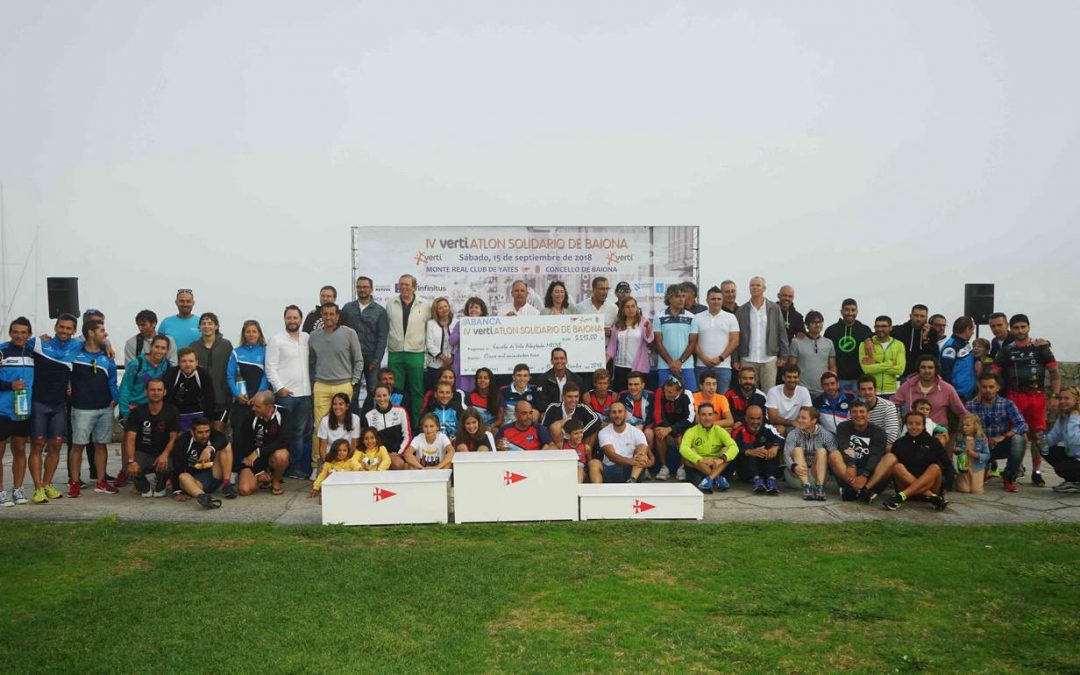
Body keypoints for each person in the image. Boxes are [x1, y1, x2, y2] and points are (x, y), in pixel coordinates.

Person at [992, 313, 1060, 487]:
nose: (1020, 330)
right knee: (1017, 435)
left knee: (1037, 436)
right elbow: (993, 374)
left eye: (1023, 327)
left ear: (1029, 327)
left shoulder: (1041, 347)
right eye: (1016, 327)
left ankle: (1036, 472)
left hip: (1037, 397)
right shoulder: (1006, 350)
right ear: (1011, 329)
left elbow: (1054, 373)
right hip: (1014, 397)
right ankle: (1016, 468)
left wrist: (1056, 395)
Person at [27, 314, 80, 503]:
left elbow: (96, 339)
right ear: (55, 327)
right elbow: (13, 346)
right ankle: (37, 487)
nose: (64, 331)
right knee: (37, 445)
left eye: (68, 328)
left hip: (59, 405)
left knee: (56, 445)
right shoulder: (38, 343)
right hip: (39, 402)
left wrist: (107, 345)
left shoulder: (76, 346)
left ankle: (48, 484)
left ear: (74, 331)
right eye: (61, 327)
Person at [68, 320, 119, 497]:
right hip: (82, 409)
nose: (105, 334)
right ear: (90, 333)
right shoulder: (75, 353)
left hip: (105, 408)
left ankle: (101, 482)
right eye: (102, 330)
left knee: (101, 446)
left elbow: (112, 380)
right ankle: (74, 482)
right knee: (78, 446)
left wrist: (115, 399)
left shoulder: (107, 356)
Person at [309, 302, 363, 471]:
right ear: (322, 316)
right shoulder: (314, 336)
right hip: (322, 386)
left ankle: (346, 463)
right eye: (325, 314)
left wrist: (353, 382)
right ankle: (318, 465)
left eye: (332, 314)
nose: (328, 317)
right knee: (319, 428)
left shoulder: (349, 333)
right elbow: (311, 361)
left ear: (337, 316)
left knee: (345, 425)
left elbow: (358, 360)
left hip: (343, 384)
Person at [265, 305, 313, 480]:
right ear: (284, 319)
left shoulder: (307, 338)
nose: (292, 321)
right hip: (286, 396)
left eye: (295, 318)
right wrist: (279, 388)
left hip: (305, 394)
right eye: (289, 318)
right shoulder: (276, 340)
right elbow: (270, 367)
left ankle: (295, 468)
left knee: (300, 433)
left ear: (300, 320)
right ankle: (280, 467)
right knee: (282, 433)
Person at [965, 372, 1028, 492]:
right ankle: (982, 470)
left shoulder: (1007, 404)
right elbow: (964, 427)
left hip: (999, 444)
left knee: (1019, 439)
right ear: (979, 387)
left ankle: (1009, 477)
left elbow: (1022, 424)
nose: (987, 390)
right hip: (980, 446)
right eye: (984, 387)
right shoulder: (971, 405)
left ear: (998, 388)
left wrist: (1004, 436)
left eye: (991, 387)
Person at [122, 379, 181, 498]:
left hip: (163, 454)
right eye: (152, 390)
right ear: (146, 392)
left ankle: (161, 485)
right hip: (143, 454)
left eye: (159, 390)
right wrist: (131, 461)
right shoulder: (136, 412)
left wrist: (165, 454)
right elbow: (130, 439)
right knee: (129, 468)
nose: (156, 392)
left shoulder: (172, 410)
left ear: (164, 392)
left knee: (167, 467)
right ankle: (144, 487)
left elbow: (173, 437)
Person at [882, 412, 953, 512]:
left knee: (935, 467)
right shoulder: (899, 443)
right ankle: (932, 497)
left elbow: (948, 465)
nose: (914, 427)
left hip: (930, 485)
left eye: (918, 424)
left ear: (924, 425)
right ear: (905, 425)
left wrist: (947, 486)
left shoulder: (934, 442)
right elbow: (892, 471)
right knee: (897, 466)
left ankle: (900, 498)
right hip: (906, 487)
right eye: (910, 424)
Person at [387, 274, 430, 427]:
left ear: (414, 287)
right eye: (401, 284)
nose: (403, 287)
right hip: (395, 352)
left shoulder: (424, 305)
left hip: (416, 353)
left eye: (407, 284)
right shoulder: (391, 303)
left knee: (417, 391)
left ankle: (418, 425)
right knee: (395, 391)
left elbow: (429, 328)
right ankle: (396, 424)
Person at [829, 400, 893, 502]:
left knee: (891, 458)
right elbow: (844, 447)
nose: (858, 415)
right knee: (834, 454)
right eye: (854, 412)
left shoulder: (879, 432)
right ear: (850, 414)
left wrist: (865, 475)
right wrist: (851, 465)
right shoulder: (843, 427)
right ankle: (859, 489)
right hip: (849, 470)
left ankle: (864, 489)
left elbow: (876, 456)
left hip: (870, 471)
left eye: (862, 411)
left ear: (868, 414)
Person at [0, 317, 35, 506]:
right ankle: (0, 492)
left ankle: (18, 489)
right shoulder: (2, 350)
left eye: (23, 332)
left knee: (20, 450)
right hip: (2, 410)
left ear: (29, 334)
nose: (19, 335)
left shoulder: (33, 351)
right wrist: (9, 385)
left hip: (23, 410)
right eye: (15, 331)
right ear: (10, 333)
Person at [733, 276, 789, 390]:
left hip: (769, 360)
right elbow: (735, 337)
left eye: (758, 285)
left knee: (769, 393)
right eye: (752, 285)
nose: (755, 287)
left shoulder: (774, 308)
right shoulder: (741, 310)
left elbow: (781, 332)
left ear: (764, 288)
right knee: (748, 392)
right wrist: (735, 359)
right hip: (747, 359)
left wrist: (783, 356)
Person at [233, 391, 291, 496]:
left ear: (269, 407)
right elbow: (243, 443)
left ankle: (275, 480)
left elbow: (284, 441)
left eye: (257, 406)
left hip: (271, 456)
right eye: (253, 405)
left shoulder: (284, 413)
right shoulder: (249, 415)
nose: (253, 408)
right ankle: (262, 479)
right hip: (251, 458)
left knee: (282, 456)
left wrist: (258, 452)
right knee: (244, 490)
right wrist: (258, 471)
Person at [170, 416, 234, 509]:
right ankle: (203, 498)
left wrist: (209, 449)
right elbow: (176, 466)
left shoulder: (212, 434)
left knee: (226, 446)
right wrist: (177, 491)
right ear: (192, 432)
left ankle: (227, 484)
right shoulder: (183, 441)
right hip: (196, 482)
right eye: (200, 432)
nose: (204, 435)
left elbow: (223, 440)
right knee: (183, 477)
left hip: (214, 474)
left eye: (207, 431)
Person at [340, 276, 389, 396]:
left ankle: (373, 415)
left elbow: (382, 338)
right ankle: (353, 415)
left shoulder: (380, 311)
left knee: (373, 391)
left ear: (371, 289)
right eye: (359, 287)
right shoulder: (347, 309)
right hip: (351, 357)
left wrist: (377, 359)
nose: (362, 289)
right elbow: (341, 332)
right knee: (351, 391)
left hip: (371, 358)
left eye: (365, 287)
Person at [679, 402, 739, 494]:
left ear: (714, 415)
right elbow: (683, 448)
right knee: (690, 452)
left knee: (727, 451)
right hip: (699, 466)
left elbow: (735, 447)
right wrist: (701, 459)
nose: (707, 418)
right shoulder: (691, 431)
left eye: (710, 414)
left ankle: (710, 479)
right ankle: (717, 478)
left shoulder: (719, 430)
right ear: (698, 416)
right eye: (703, 415)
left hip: (716, 464)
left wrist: (721, 459)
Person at [891, 355, 967, 424]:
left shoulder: (947, 388)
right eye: (923, 367)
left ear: (936, 370)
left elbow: (961, 412)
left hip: (938, 430)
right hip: (913, 429)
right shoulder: (907, 386)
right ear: (918, 369)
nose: (927, 370)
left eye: (930, 368)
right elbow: (891, 405)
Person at [189, 312, 234, 431]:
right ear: (199, 327)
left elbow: (232, 370)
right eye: (203, 323)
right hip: (200, 400)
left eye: (210, 323)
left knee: (217, 434)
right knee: (202, 433)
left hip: (222, 398)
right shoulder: (194, 346)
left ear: (216, 326)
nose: (206, 326)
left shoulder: (226, 345)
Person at [226, 319, 269, 440]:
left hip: (259, 401)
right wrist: (237, 394)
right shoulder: (236, 352)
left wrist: (258, 395)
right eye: (248, 331)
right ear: (243, 334)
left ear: (259, 334)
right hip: (241, 400)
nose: (251, 334)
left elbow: (266, 375)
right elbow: (230, 376)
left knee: (259, 436)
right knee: (239, 435)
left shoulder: (266, 351)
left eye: (254, 331)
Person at [694, 286, 740, 395]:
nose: (716, 301)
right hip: (702, 365)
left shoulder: (731, 317)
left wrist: (720, 358)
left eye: (719, 299)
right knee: (702, 400)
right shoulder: (696, 318)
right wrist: (704, 358)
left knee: (721, 400)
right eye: (713, 299)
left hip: (723, 367)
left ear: (722, 300)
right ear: (707, 300)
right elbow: (693, 341)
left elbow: (735, 341)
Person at [655, 283, 700, 391]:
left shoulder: (692, 317)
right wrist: (671, 363)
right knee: (664, 397)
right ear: (670, 298)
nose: (681, 300)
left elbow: (692, 343)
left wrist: (680, 362)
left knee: (690, 396)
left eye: (683, 296)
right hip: (665, 366)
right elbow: (658, 343)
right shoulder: (659, 317)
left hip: (686, 366)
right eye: (678, 296)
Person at [783, 407, 835, 500]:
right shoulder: (793, 433)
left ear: (814, 420)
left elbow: (834, 455)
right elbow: (786, 454)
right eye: (799, 417)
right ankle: (807, 487)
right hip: (797, 478)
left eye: (803, 418)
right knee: (797, 449)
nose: (799, 420)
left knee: (822, 451)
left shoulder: (826, 435)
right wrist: (794, 466)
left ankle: (820, 488)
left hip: (818, 476)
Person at [824, 298, 873, 394]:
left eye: (853, 310)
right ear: (841, 311)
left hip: (859, 379)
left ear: (857, 312)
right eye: (847, 310)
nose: (850, 313)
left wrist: (868, 338)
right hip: (839, 379)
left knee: (859, 407)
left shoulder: (865, 330)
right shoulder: (831, 330)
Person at [651, 375, 695, 480]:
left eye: (670, 392)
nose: (666, 393)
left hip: (682, 427)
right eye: (665, 390)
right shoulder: (660, 392)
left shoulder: (687, 394)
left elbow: (690, 419)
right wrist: (668, 430)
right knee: (658, 433)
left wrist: (672, 430)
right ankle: (664, 467)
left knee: (684, 436)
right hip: (666, 426)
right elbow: (658, 416)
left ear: (679, 391)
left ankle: (682, 467)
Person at [731, 404, 782, 494]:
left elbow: (781, 440)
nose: (755, 421)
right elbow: (733, 448)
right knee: (749, 447)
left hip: (763, 467)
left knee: (771, 445)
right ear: (746, 418)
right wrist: (748, 452)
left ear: (762, 418)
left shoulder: (766, 429)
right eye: (752, 418)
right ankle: (757, 481)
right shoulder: (738, 431)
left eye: (758, 418)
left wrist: (775, 447)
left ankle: (771, 480)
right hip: (745, 471)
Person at [608, 296, 654, 393]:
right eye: (627, 307)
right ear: (622, 309)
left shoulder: (644, 322)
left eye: (633, 306)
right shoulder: (617, 325)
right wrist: (602, 364)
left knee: (637, 396)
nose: (631, 309)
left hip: (638, 367)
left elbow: (649, 340)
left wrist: (649, 329)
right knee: (621, 396)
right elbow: (611, 348)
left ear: (637, 308)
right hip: (620, 367)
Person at [118, 334, 172, 417]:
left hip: (153, 411)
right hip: (133, 409)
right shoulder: (136, 364)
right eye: (156, 347)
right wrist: (125, 412)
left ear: (167, 350)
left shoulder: (167, 366)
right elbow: (125, 388)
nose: (159, 350)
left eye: (163, 348)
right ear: (151, 346)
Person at [596, 401, 651, 483]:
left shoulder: (637, 432)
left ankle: (632, 480)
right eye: (614, 412)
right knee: (593, 463)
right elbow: (611, 456)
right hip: (611, 470)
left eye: (620, 411)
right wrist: (630, 461)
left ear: (625, 413)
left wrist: (639, 460)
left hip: (631, 469)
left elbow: (643, 450)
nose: (617, 415)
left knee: (641, 455)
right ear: (610, 415)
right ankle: (597, 493)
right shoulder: (603, 432)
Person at [163, 348, 216, 433]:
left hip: (197, 413)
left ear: (197, 362)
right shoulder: (171, 373)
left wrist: (208, 420)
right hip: (176, 414)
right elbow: (165, 397)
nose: (187, 364)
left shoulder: (203, 374)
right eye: (184, 361)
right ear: (179, 362)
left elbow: (209, 399)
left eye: (191, 361)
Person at [787, 311, 835, 396]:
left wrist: (832, 384)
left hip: (823, 391)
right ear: (807, 325)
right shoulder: (796, 342)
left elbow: (832, 367)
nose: (817, 325)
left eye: (820, 322)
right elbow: (792, 366)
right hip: (802, 390)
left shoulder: (829, 343)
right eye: (813, 323)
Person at [363, 384, 411, 469]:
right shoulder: (369, 415)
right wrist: (383, 454)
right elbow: (368, 440)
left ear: (389, 396)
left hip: (398, 453)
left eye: (384, 395)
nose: (382, 399)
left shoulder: (401, 411)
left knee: (402, 464)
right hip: (377, 454)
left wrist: (399, 453)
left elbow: (407, 436)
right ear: (374, 397)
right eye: (378, 396)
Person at [1043, 387, 1080, 492]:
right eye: (1061, 398)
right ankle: (1072, 481)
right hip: (1075, 457)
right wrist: (1041, 440)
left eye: (1066, 398)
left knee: (1062, 467)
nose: (1062, 401)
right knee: (1045, 449)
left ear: (1076, 400)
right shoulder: (1063, 417)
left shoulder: (1075, 417)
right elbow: (1053, 437)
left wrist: (1074, 416)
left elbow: (1074, 442)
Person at [448, 296, 488, 393]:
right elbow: (452, 341)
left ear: (482, 310)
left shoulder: (488, 324)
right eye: (471, 307)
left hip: (481, 359)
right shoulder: (460, 323)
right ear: (467, 310)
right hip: (462, 361)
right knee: (461, 389)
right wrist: (464, 331)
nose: (473, 310)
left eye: (476, 307)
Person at [541, 383, 600, 447]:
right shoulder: (553, 408)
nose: (573, 400)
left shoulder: (581, 407)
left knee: (594, 429)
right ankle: (561, 452)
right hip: (558, 443)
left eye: (576, 396)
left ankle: (583, 455)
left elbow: (596, 419)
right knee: (556, 426)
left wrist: (578, 433)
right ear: (563, 397)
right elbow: (543, 429)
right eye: (570, 396)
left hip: (577, 441)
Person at [858, 315, 905, 397]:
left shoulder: (898, 344)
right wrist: (890, 363)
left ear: (890, 328)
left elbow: (900, 370)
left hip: (892, 391)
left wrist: (876, 363)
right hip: (871, 392)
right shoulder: (864, 344)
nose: (880, 329)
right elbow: (867, 369)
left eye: (884, 326)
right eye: (877, 326)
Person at [891, 304, 940, 378]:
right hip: (903, 376)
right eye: (916, 315)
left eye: (922, 316)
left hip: (923, 375)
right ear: (910, 316)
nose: (919, 319)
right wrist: (868, 339)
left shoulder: (932, 332)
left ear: (926, 317)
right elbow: (878, 332)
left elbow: (934, 355)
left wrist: (925, 338)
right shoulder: (899, 330)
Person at [765, 364, 813, 437]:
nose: (792, 380)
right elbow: (772, 418)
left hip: (797, 424)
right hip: (778, 425)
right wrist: (792, 422)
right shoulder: (773, 391)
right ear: (783, 378)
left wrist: (798, 424)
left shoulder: (803, 391)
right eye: (789, 377)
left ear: (799, 378)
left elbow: (807, 414)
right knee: (780, 429)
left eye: (795, 377)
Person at [939, 316, 977, 400]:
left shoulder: (965, 344)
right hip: (957, 395)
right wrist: (951, 393)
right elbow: (945, 371)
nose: (973, 333)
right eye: (972, 330)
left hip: (968, 394)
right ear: (967, 329)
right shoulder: (951, 347)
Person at [317, 392, 361, 463]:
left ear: (347, 406)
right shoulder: (325, 421)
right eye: (334, 404)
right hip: (330, 457)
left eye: (341, 404)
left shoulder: (355, 419)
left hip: (348, 458)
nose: (337, 407)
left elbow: (354, 446)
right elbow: (322, 447)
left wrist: (347, 463)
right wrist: (327, 464)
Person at [856, 376, 899, 449]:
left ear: (875, 390)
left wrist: (867, 444)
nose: (867, 392)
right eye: (863, 389)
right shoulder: (855, 407)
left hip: (882, 445)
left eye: (870, 389)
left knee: (890, 447)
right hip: (862, 445)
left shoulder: (888, 406)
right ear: (859, 392)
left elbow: (891, 437)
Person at [953, 413, 991, 494]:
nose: (964, 427)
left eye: (967, 425)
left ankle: (978, 481)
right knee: (964, 489)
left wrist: (976, 455)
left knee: (976, 490)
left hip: (977, 468)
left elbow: (987, 455)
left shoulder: (981, 439)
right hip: (964, 467)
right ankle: (959, 482)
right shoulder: (961, 438)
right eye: (963, 425)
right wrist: (956, 450)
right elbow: (957, 451)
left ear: (975, 426)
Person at [424, 297, 456, 392]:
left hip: (452, 364)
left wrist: (451, 358)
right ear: (436, 311)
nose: (444, 309)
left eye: (446, 306)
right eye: (440, 308)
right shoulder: (431, 324)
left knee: (450, 391)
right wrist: (443, 358)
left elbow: (457, 343)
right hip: (435, 364)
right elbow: (429, 344)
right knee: (434, 390)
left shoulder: (456, 322)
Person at [619, 371, 655, 449]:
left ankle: (647, 458)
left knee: (649, 433)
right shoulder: (622, 396)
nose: (633, 387)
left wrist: (643, 426)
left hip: (644, 426)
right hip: (627, 426)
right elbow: (619, 416)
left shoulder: (651, 396)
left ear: (643, 385)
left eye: (636, 384)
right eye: (630, 384)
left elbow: (653, 417)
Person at [725, 367, 767, 433]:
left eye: (751, 378)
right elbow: (729, 417)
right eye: (745, 378)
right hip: (735, 427)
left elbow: (763, 418)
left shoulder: (761, 396)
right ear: (739, 380)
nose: (748, 381)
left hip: (756, 427)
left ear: (755, 381)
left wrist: (742, 422)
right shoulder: (729, 395)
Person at [561, 419, 601, 483]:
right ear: (568, 435)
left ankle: (578, 487)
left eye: (581, 432)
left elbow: (589, 462)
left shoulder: (586, 447)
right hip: (568, 468)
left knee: (580, 467)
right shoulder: (562, 445)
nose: (579, 436)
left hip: (581, 471)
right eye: (576, 433)